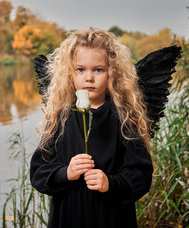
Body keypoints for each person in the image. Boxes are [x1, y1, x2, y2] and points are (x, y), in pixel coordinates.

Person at [30, 27, 153, 228]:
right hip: (69, 217)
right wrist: (65, 173)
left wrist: (111, 183)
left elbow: (141, 175)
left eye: (98, 70)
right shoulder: (60, 117)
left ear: (112, 73)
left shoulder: (125, 118)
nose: (89, 78)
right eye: (81, 69)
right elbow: (38, 173)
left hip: (111, 217)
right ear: (69, 73)